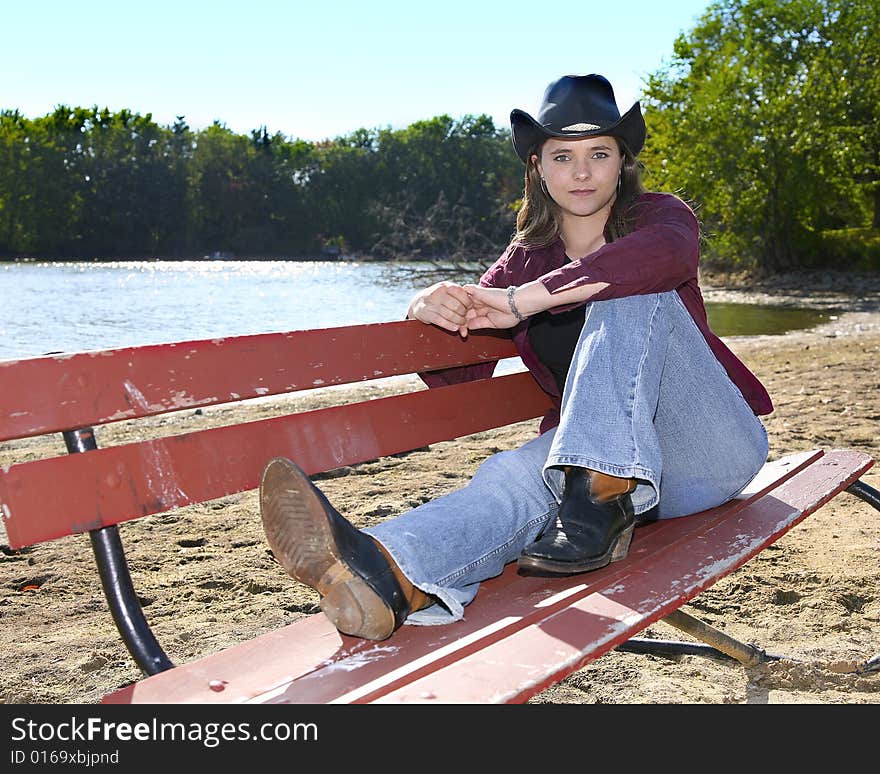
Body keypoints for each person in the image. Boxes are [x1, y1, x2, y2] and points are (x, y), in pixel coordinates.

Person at [258, 74, 773, 641]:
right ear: (538, 168)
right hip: (597, 498)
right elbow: (461, 373)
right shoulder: (522, 263)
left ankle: (599, 489)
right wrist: (429, 308)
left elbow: (657, 260)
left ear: (622, 163)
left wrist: (522, 302)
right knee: (513, 477)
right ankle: (387, 574)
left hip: (708, 445)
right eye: (563, 156)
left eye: (599, 154)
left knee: (627, 290)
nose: (581, 172)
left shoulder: (658, 219)